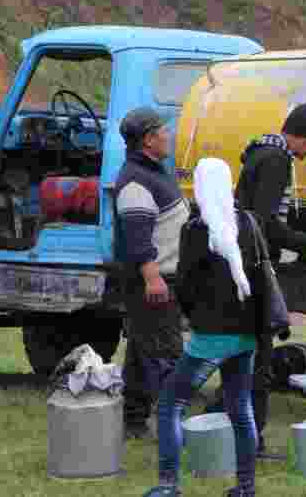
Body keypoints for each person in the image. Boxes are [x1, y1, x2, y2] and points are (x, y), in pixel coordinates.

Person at [206, 102, 306, 459]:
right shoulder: (277, 161)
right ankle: (249, 440)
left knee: (244, 354)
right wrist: (305, 244)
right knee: (259, 359)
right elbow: (263, 222)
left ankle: (217, 422)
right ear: (305, 136)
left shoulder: (263, 153)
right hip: (254, 267)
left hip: (242, 265)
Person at [143, 158, 269, 497]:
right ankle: (245, 488)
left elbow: (185, 285)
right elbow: (260, 276)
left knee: (171, 404)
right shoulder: (249, 222)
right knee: (241, 409)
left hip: (211, 336)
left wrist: (193, 317)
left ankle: (168, 485)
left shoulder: (196, 229)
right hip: (245, 334)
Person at [114, 107, 189, 439]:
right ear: (147, 140)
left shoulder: (154, 173)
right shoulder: (135, 181)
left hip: (159, 277)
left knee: (142, 351)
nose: (167, 136)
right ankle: (172, 425)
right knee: (165, 353)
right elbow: (136, 235)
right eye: (162, 131)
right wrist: (152, 276)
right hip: (154, 279)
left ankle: (132, 420)